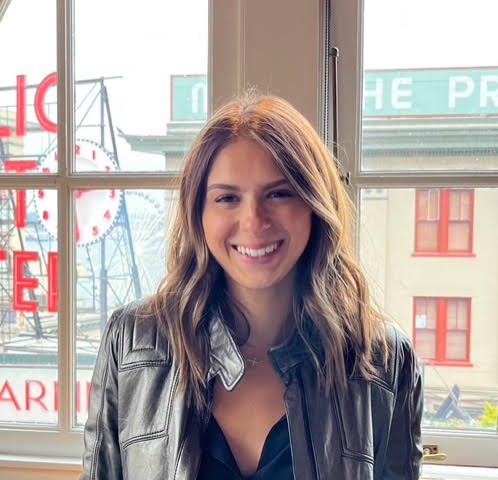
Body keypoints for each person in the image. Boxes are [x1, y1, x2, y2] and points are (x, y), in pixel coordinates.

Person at [81, 92, 423, 480]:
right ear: (199, 215)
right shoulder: (131, 344)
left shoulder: (385, 362)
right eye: (227, 198)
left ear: (314, 204)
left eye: (278, 193)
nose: (253, 220)